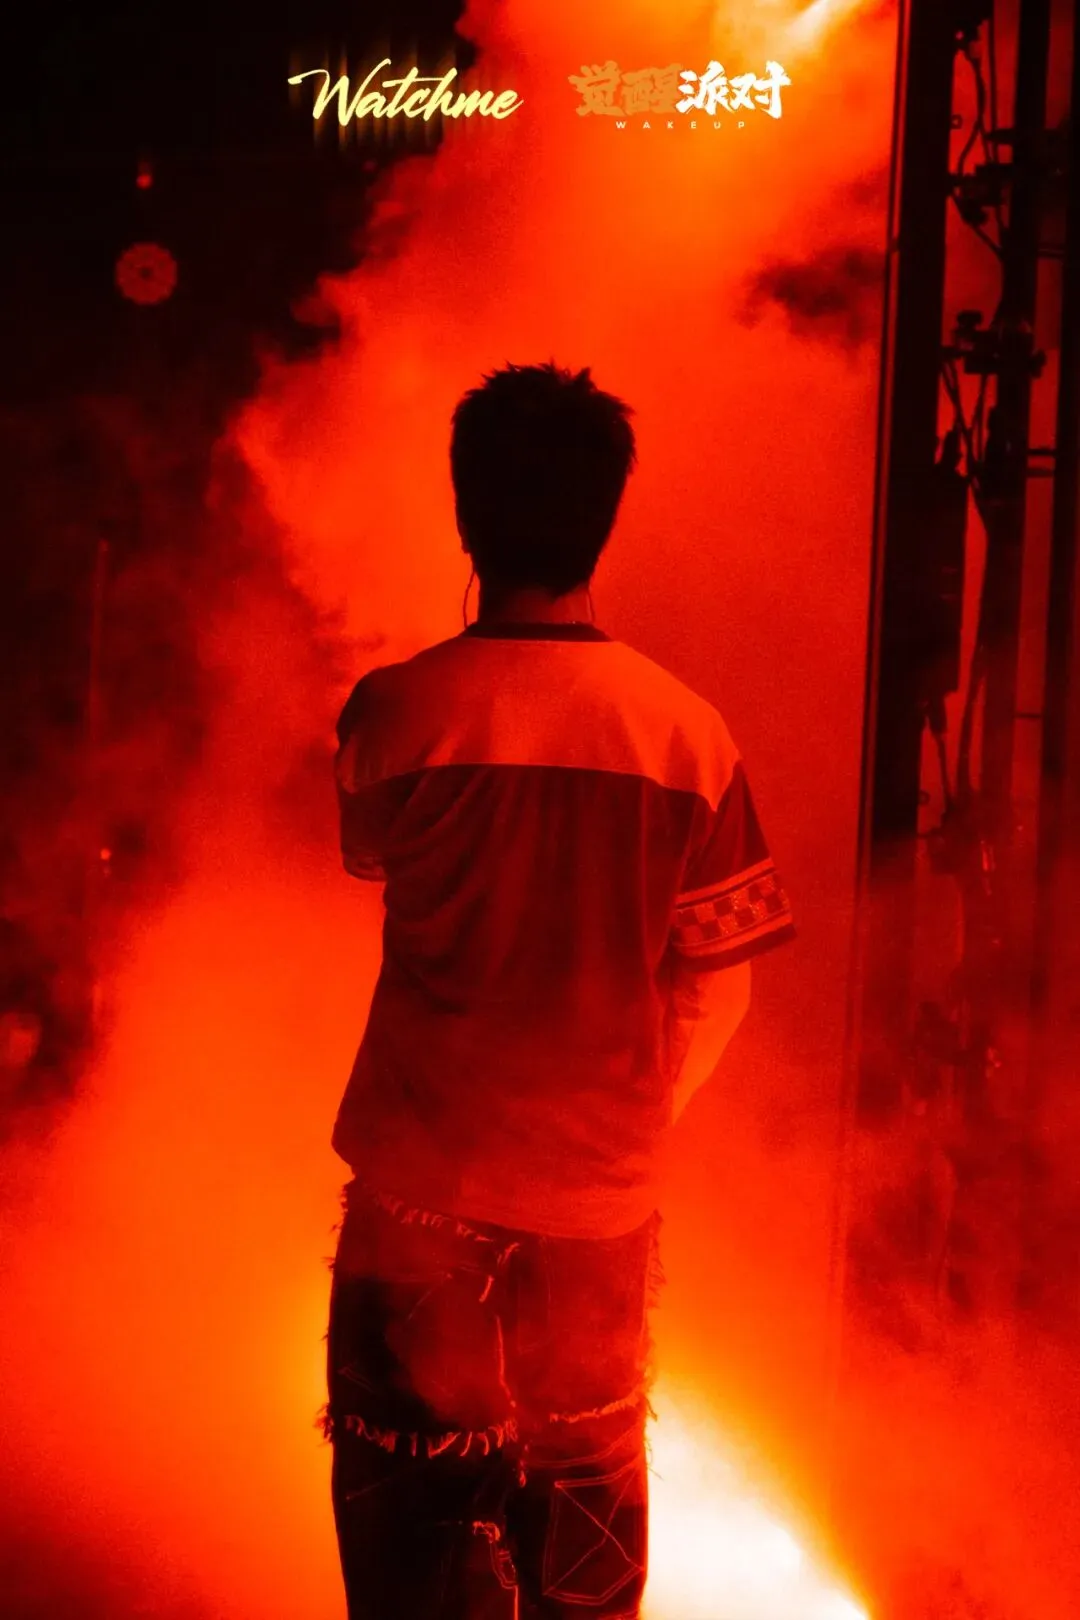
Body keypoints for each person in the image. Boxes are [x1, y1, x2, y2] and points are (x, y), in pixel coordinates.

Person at [324, 361, 795, 1619]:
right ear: (606, 517)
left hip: (417, 1194)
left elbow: (369, 860)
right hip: (596, 1208)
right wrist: (626, 1122)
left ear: (466, 515)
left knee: (409, 1535)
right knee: (583, 1537)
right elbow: (721, 987)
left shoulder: (393, 713)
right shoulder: (688, 736)